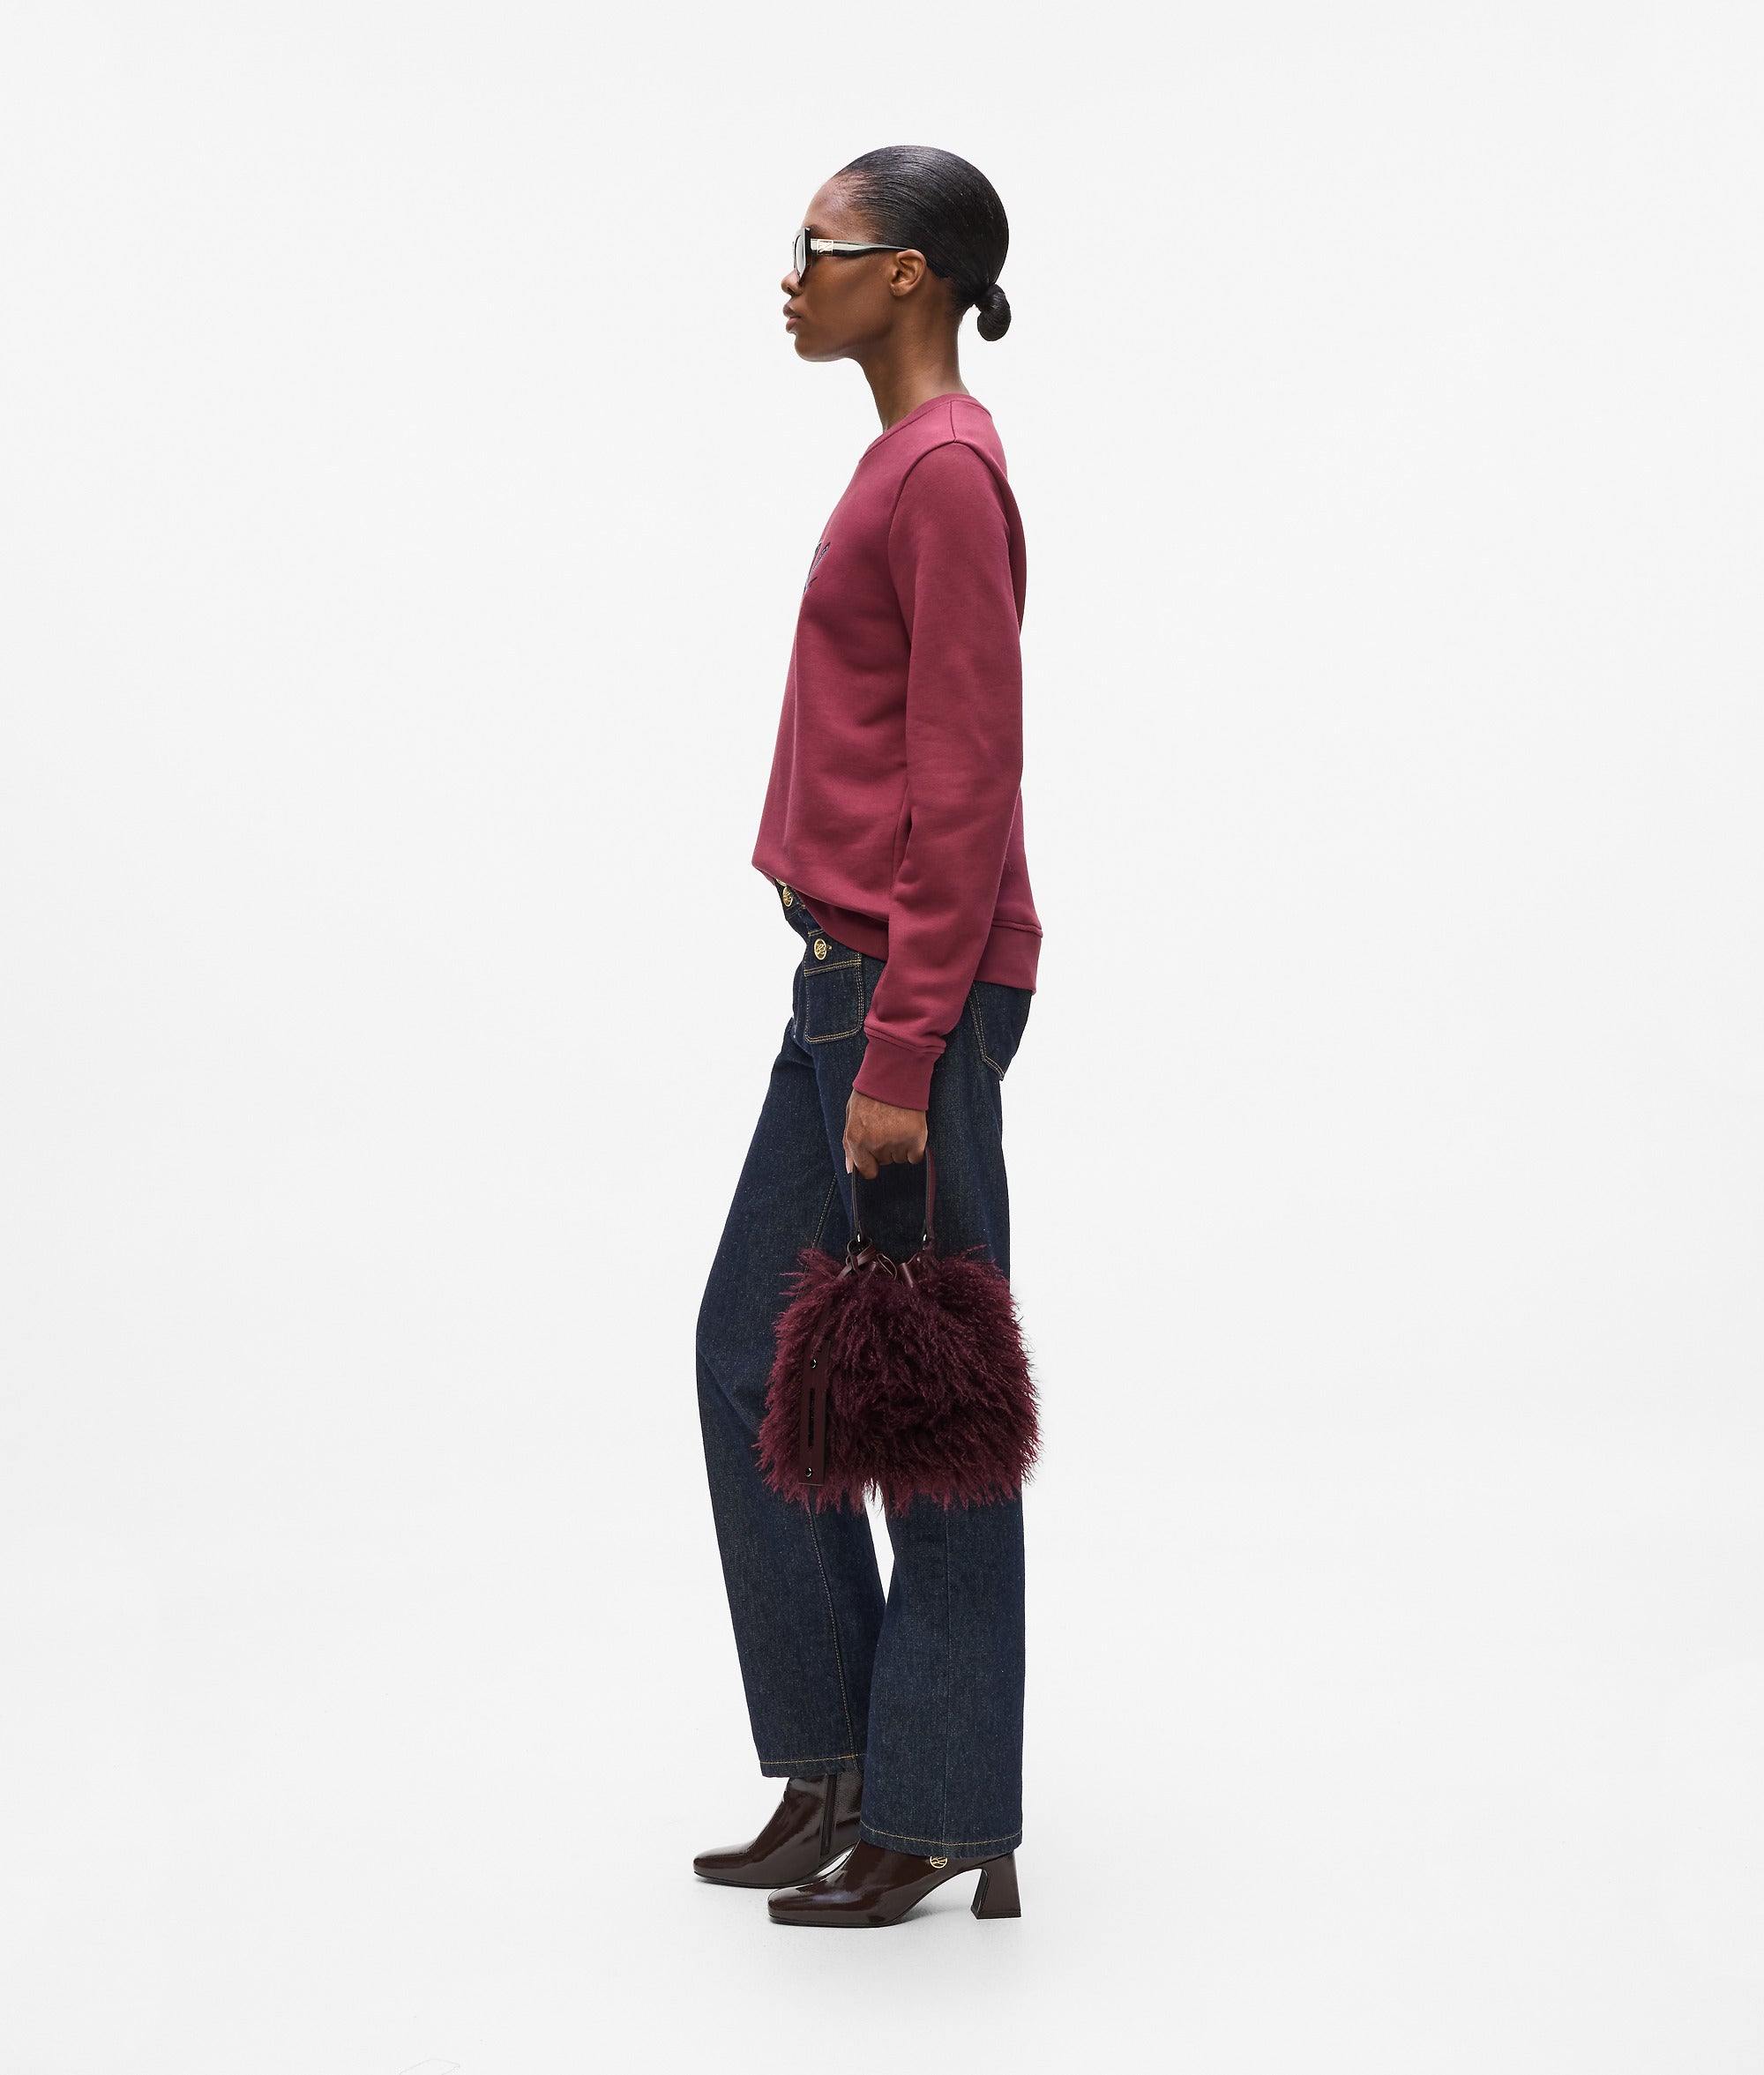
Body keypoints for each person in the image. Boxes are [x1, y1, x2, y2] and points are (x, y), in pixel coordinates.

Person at [692, 145, 1042, 1929]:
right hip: (847, 973)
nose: (793, 274)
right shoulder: (902, 462)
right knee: (751, 1358)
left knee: (929, 1402)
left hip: (909, 984)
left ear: (906, 272)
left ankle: (942, 1802)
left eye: (818, 245)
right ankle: (839, 1761)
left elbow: (967, 777)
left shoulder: (947, 474)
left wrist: (904, 1050)